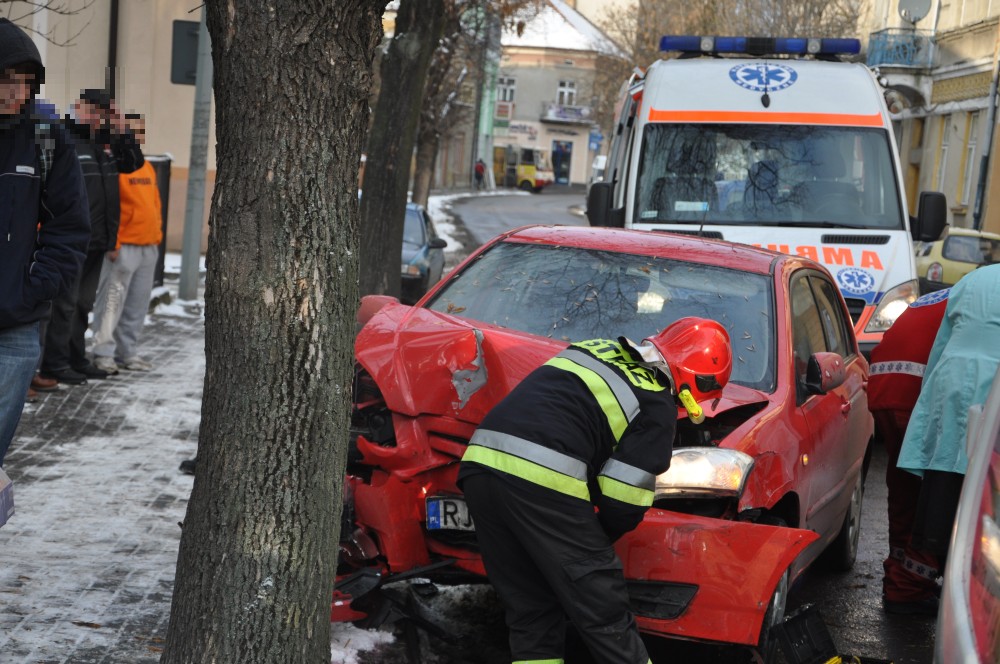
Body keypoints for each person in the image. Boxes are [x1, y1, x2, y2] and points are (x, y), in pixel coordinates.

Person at [458, 318, 732, 664]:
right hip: (542, 479)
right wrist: (593, 547)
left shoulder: (598, 347)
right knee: (604, 609)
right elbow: (622, 499)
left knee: (532, 606)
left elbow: (565, 413)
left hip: (480, 466)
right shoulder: (657, 402)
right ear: (698, 382)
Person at [0, 18, 90, 466]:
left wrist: (38, 285)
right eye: (5, 80)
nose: (14, 93)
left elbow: (70, 226)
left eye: (24, 83)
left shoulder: (45, 138)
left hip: (15, 324)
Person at [898, 264, 1000, 584]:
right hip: (992, 383)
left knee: (947, 463)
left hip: (952, 377)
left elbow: (942, 342)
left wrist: (929, 396)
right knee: (984, 475)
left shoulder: (974, 278)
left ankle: (940, 550)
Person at [39, 87, 144, 385]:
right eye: (98, 113)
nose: (102, 120)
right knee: (65, 304)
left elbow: (133, 163)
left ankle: (75, 358)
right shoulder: (63, 136)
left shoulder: (104, 144)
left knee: (82, 304)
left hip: (98, 238)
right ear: (81, 108)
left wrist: (123, 129)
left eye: (106, 115)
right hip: (71, 239)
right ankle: (55, 364)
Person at [868, 288, 950, 615]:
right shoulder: (986, 299)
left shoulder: (955, 293)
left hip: (887, 382)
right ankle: (910, 587)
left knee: (905, 484)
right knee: (939, 488)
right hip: (915, 390)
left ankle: (901, 577)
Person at [89, 113, 161, 373]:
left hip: (147, 246)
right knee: (111, 303)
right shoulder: (115, 165)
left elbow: (154, 204)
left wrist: (157, 236)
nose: (137, 136)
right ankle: (102, 353)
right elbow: (110, 206)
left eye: (140, 131)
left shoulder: (147, 166)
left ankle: (127, 353)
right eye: (132, 131)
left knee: (136, 305)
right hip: (123, 247)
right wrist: (114, 242)